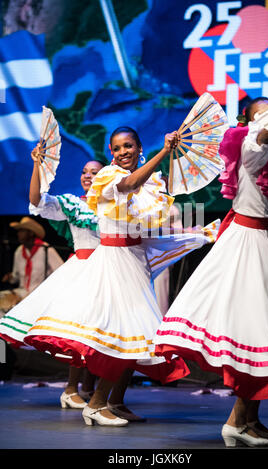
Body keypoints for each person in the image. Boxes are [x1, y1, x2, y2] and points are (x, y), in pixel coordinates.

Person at [19, 126, 191, 427]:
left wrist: (189, 236)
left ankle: (114, 401)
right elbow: (128, 185)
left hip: (134, 262)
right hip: (112, 262)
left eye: (128, 146)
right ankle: (95, 403)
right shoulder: (109, 176)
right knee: (123, 335)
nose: (122, 152)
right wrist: (165, 152)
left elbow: (144, 229)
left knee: (135, 338)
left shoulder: (151, 183)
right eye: (116, 148)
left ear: (139, 148)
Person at [154, 97, 268, 447]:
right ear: (250, 119)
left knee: (266, 333)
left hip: (264, 241)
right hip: (246, 245)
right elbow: (260, 141)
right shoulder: (249, 146)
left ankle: (249, 419)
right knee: (255, 329)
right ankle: (237, 422)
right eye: (262, 112)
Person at [0, 151, 103, 408]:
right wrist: (36, 165)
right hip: (83, 270)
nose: (88, 176)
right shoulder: (74, 204)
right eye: (85, 172)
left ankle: (89, 387)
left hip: (109, 270)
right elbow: (36, 200)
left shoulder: (116, 207)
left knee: (99, 331)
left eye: (95, 172)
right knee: (81, 330)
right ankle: (70, 388)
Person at [1, 216, 63, 309]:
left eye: (22, 231)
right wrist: (10, 277)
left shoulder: (46, 249)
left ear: (31, 233)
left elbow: (61, 272)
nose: (18, 234)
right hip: (23, 293)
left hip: (40, 294)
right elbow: (16, 278)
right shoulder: (19, 251)